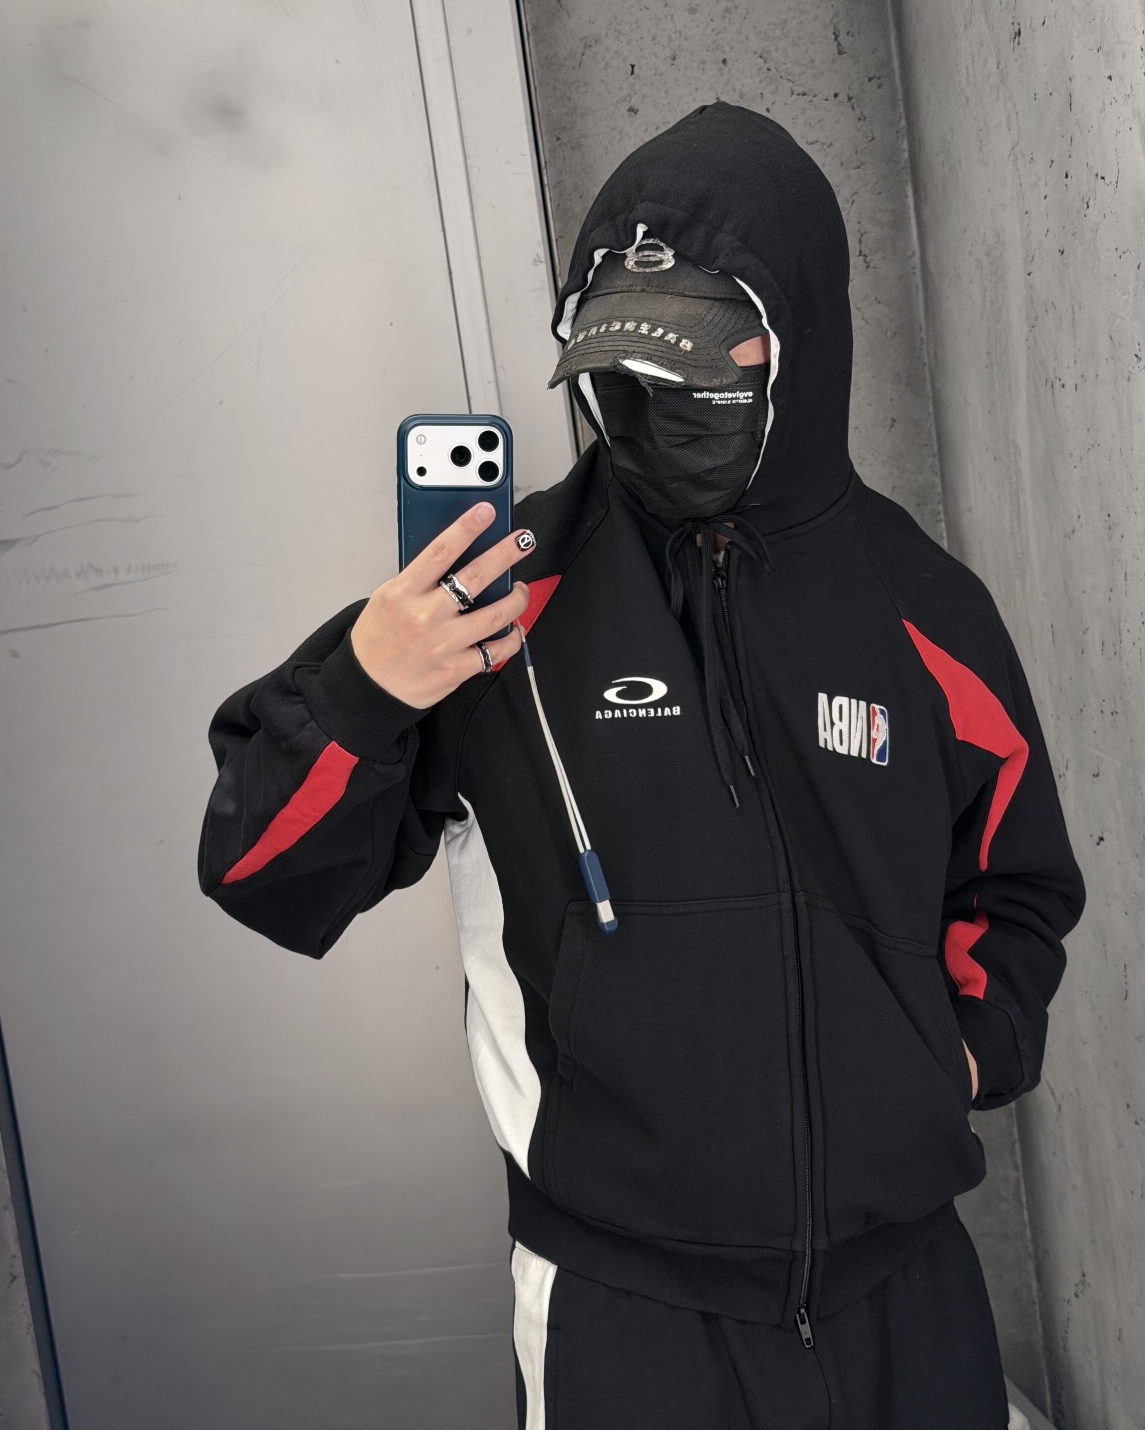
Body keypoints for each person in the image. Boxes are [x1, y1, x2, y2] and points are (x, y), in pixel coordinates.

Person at [198, 103, 1084, 1429]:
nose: (655, 405)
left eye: (703, 363)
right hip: (626, 1315)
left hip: (905, 1290)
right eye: (621, 369)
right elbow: (262, 870)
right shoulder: (495, 604)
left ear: (798, 348)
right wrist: (370, 682)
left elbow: (1015, 885)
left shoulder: (925, 608)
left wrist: (948, 1061)